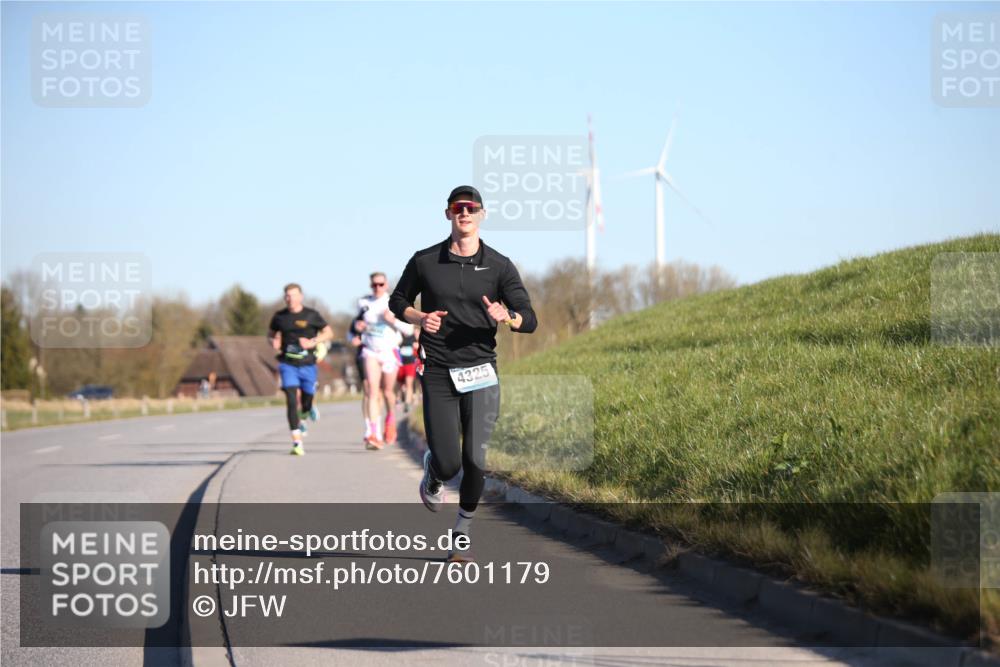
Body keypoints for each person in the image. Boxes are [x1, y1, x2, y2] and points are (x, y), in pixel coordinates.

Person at [389, 185, 537, 561]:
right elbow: (397, 301)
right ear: (448, 214)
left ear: (482, 215)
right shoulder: (425, 261)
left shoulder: (500, 265)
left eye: (472, 208)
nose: (465, 213)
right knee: (450, 461)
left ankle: (462, 532)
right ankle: (435, 470)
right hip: (438, 370)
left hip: (482, 371)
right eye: (458, 208)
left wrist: (510, 317)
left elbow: (529, 317)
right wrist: (419, 318)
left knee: (476, 458)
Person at [267, 283, 334, 456]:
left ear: (300, 296)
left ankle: (305, 412)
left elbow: (328, 333)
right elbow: (270, 334)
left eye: (293, 295)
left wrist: (312, 342)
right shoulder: (279, 317)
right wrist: (273, 341)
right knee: (290, 399)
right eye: (287, 296)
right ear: (285, 298)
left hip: (308, 364)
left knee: (306, 401)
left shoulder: (311, 315)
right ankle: (297, 442)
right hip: (287, 364)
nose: (290, 298)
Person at [357, 272, 414, 449]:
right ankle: (373, 434)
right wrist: (358, 327)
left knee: (388, 392)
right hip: (370, 351)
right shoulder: (364, 303)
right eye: (374, 285)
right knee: (372, 392)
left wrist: (392, 321)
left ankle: (390, 419)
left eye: (380, 284)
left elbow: (409, 330)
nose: (377, 288)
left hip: (389, 351)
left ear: (386, 285)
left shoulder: (395, 302)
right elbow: (356, 324)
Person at [396, 328, 420, 413]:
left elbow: (419, 345)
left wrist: (417, 341)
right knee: (399, 384)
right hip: (400, 364)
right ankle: (398, 400)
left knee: (409, 383)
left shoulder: (413, 336)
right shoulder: (398, 334)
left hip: (410, 363)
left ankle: (407, 403)